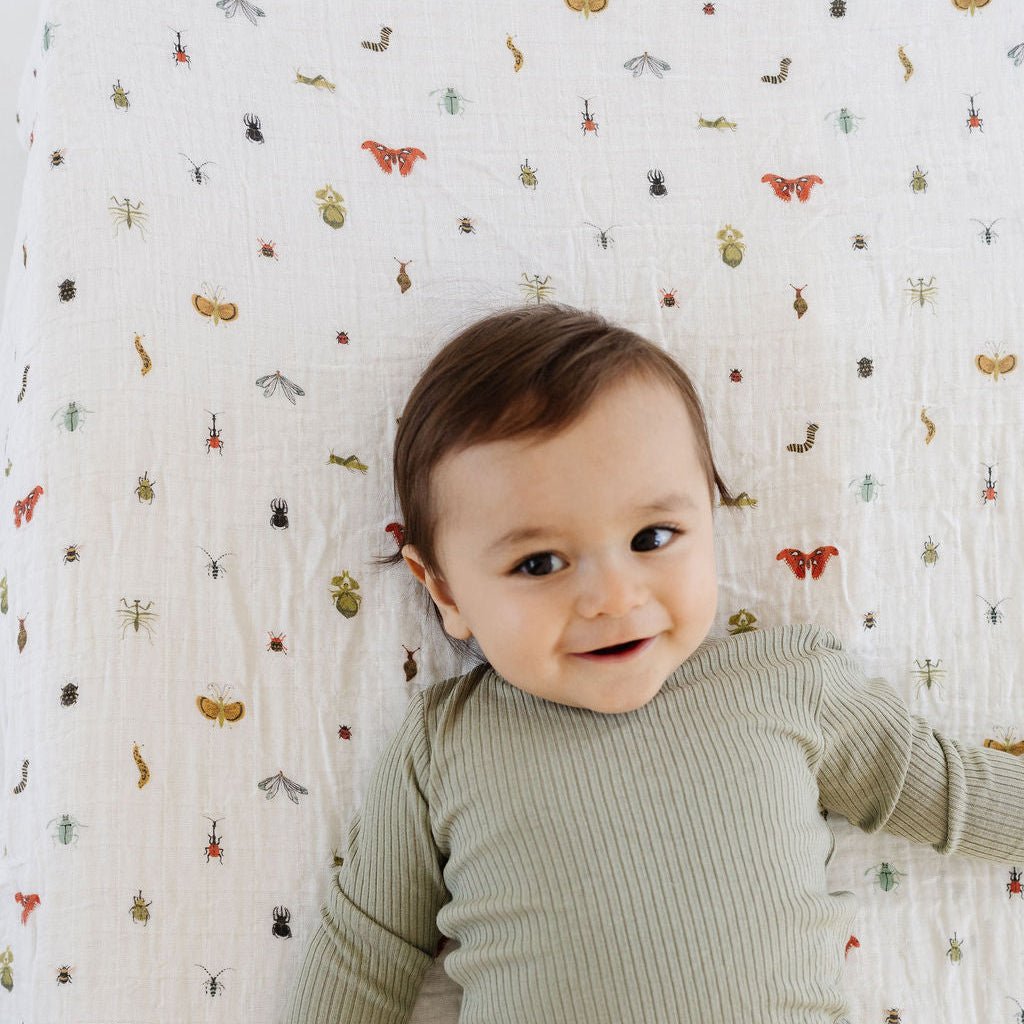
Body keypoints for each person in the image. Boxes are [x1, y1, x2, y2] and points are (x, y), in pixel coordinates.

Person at [283, 302, 1024, 1023]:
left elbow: (950, 789)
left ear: (709, 514)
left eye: (652, 538)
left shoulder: (787, 687)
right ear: (445, 592)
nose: (611, 596)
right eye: (540, 562)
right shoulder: (445, 745)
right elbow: (364, 953)